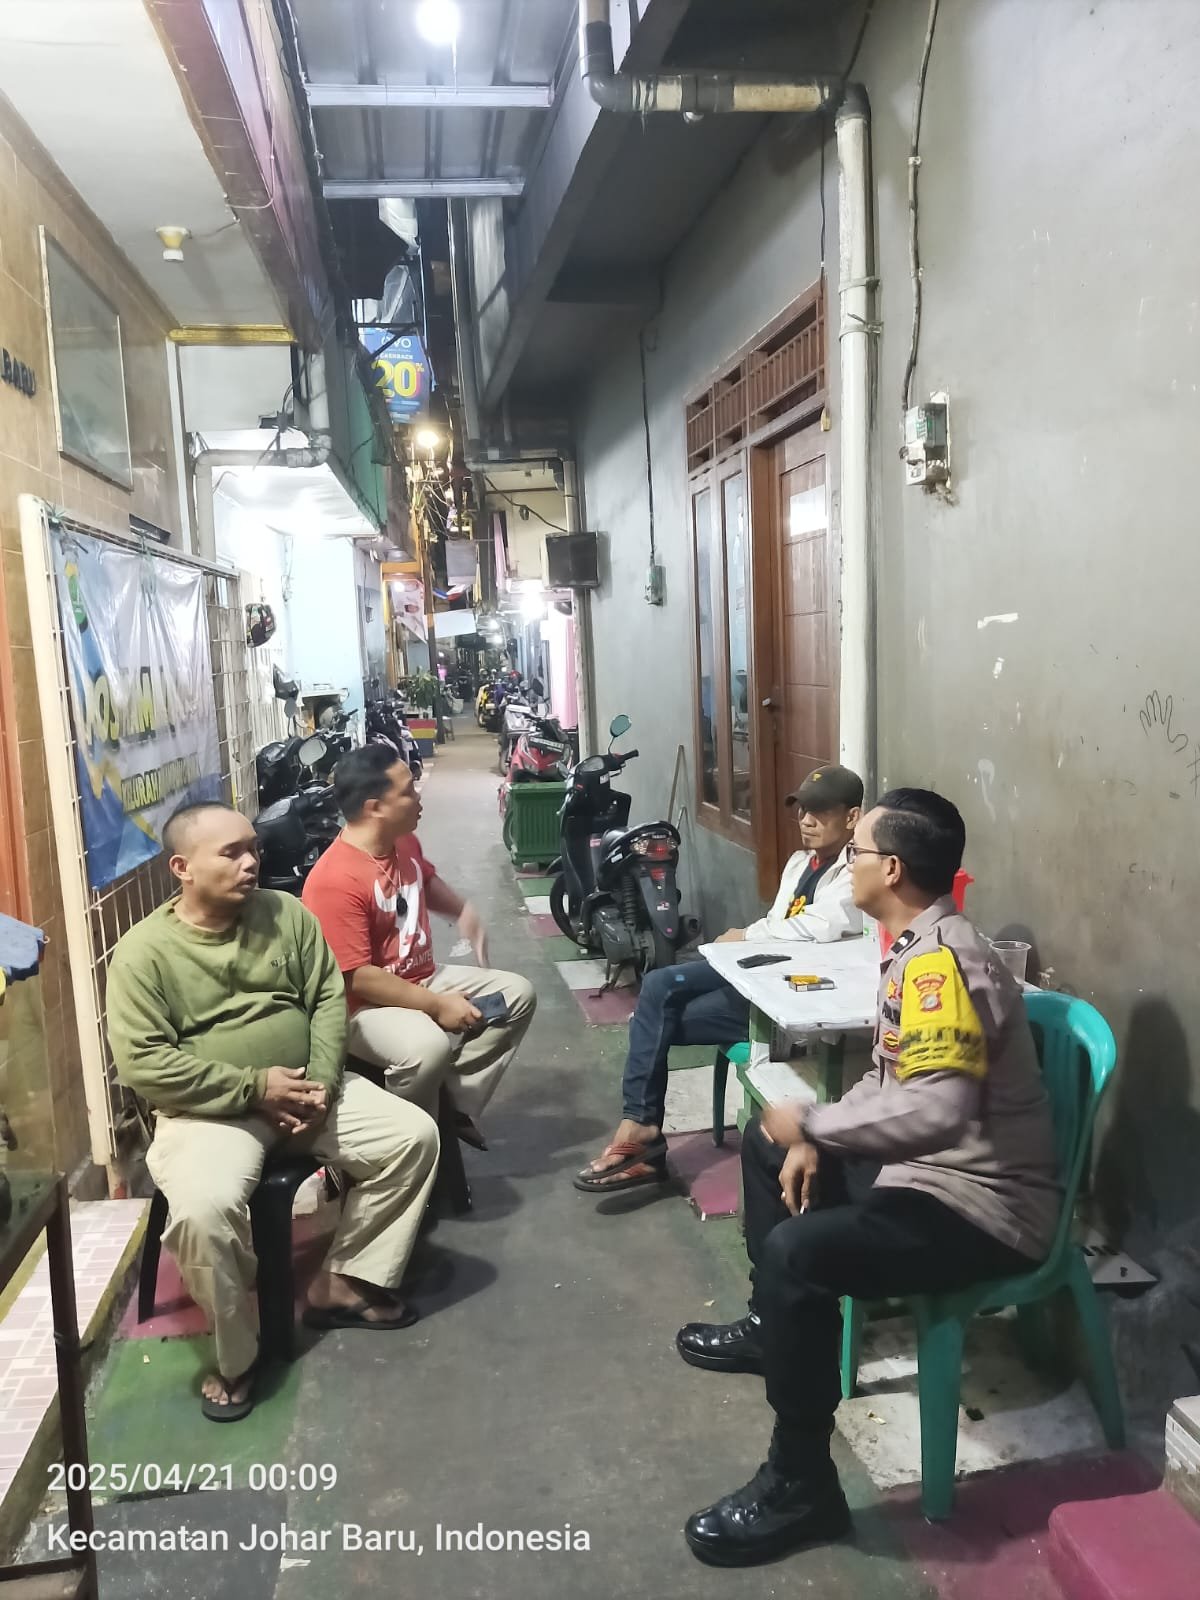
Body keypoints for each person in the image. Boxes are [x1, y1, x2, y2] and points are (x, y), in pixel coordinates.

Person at [674, 788, 1062, 1567]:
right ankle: (773, 1328)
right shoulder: (911, 945)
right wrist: (819, 1132)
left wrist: (818, 1127)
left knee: (799, 1253)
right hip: (928, 1173)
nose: (845, 865)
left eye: (856, 854)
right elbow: (888, 1080)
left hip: (981, 1207)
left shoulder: (942, 966)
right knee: (767, 1146)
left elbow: (936, 1111)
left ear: (891, 869)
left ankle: (801, 1483)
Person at [107, 802, 439, 1424]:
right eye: (230, 853)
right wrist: (254, 1088)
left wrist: (319, 1085)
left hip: (309, 1092)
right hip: (209, 1113)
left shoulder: (286, 914)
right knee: (204, 1213)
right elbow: (145, 1065)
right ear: (182, 868)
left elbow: (328, 998)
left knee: (413, 1136)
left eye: (252, 848)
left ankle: (345, 1281)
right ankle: (239, 1355)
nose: (251, 862)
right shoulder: (143, 954)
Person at [575, 765, 864, 1195]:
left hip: (783, 993)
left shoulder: (856, 873)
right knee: (657, 989)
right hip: (755, 966)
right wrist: (748, 938)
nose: (806, 820)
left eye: (820, 812)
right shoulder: (800, 862)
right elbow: (779, 922)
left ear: (852, 817)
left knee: (652, 1019)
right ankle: (640, 1129)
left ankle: (641, 1134)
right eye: (803, 810)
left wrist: (745, 936)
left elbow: (818, 927)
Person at [302, 745, 535, 1144]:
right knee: (427, 1048)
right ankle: (404, 1138)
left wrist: (462, 912)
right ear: (375, 807)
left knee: (515, 995)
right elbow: (356, 978)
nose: (418, 797)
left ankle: (455, 1102)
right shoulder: (333, 880)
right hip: (363, 1008)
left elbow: (424, 879)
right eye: (408, 791)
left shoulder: (402, 841)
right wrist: (436, 1005)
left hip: (423, 977)